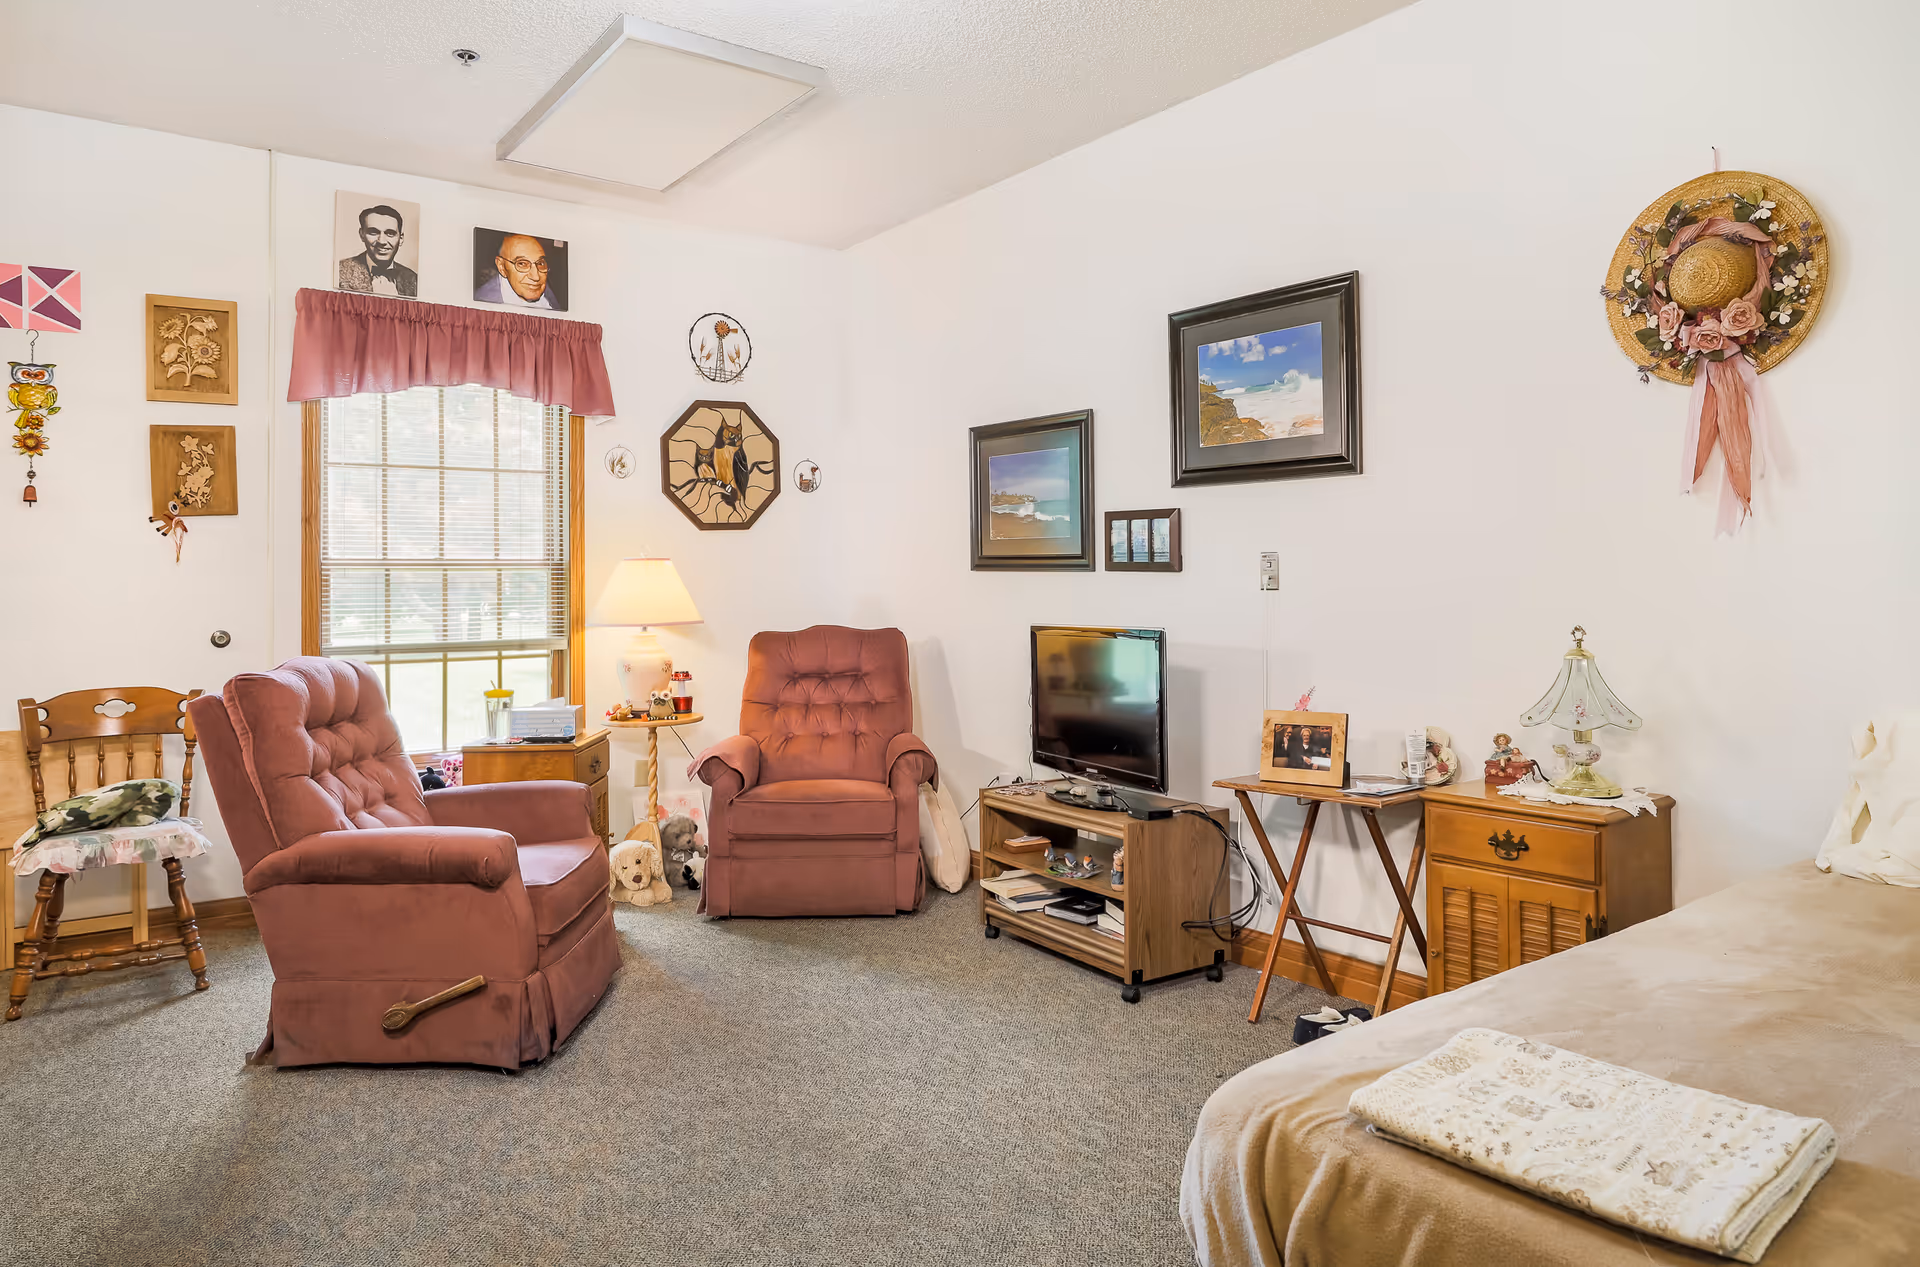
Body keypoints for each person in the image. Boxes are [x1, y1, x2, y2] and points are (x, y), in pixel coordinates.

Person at [338, 204, 417, 297]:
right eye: (373, 232)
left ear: (401, 238)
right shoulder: (339, 271)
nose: (382, 241)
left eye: (390, 233)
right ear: (362, 235)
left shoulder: (413, 279)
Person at [476, 233, 556, 309]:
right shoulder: (483, 305)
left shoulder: (537, 286)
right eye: (522, 264)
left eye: (540, 263)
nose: (536, 277)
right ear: (502, 267)